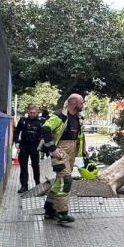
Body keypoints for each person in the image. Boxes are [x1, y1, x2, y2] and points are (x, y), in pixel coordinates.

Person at [40, 94, 87, 224]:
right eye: (81, 102)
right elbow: (45, 128)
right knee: (66, 180)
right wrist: (52, 148)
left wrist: (84, 152)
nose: (83, 105)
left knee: (59, 181)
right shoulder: (60, 116)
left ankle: (49, 210)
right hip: (60, 153)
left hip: (71, 154)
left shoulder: (77, 118)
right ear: (73, 103)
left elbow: (79, 137)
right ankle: (62, 213)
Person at [13, 105, 44, 192]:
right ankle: (24, 186)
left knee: (35, 166)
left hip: (35, 147)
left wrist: (42, 144)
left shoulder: (41, 122)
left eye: (34, 113)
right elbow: (16, 132)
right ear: (28, 112)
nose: (32, 114)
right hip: (24, 146)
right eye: (30, 112)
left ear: (37, 113)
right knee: (23, 166)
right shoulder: (23, 120)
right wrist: (16, 142)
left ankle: (37, 183)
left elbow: (45, 134)